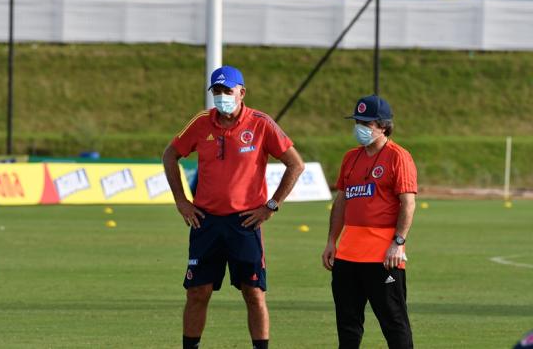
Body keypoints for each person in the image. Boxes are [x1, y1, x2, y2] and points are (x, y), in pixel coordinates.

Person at [163, 65, 304, 349]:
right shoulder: (201, 122)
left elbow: (295, 164)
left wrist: (271, 205)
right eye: (217, 91)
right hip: (206, 222)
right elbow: (170, 155)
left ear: (241, 92)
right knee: (197, 292)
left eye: (227, 91)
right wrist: (181, 201)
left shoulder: (261, 123)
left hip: (245, 222)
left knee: (253, 293)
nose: (222, 96)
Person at [321, 94, 417, 349]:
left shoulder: (399, 157)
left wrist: (398, 243)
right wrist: (331, 240)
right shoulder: (350, 157)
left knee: (394, 323)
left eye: (367, 123)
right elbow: (341, 201)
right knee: (348, 325)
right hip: (348, 255)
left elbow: (408, 203)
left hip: (383, 256)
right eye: (357, 121)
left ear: (383, 126)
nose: (360, 128)